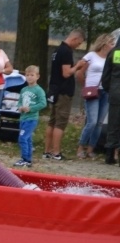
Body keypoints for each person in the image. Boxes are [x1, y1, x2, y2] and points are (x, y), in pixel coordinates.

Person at [43, 28, 86, 160]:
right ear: (75, 39)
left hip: (54, 89)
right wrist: (78, 66)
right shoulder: (66, 51)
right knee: (60, 123)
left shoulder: (57, 50)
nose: (78, 46)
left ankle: (47, 151)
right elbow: (66, 73)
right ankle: (56, 152)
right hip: (63, 92)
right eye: (79, 43)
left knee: (52, 121)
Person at [75, 33, 115, 160]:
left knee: (99, 122)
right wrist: (85, 85)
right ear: (104, 44)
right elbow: (79, 72)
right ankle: (81, 146)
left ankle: (91, 148)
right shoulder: (91, 56)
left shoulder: (111, 58)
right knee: (91, 122)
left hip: (105, 91)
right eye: (111, 43)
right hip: (93, 90)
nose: (113, 46)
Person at [13, 66, 47, 168]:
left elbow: (43, 103)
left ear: (37, 76)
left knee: (22, 138)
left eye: (32, 75)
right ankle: (28, 160)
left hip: (31, 118)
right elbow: (20, 102)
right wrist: (20, 107)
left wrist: (31, 108)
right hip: (23, 118)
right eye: (27, 75)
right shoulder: (24, 89)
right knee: (28, 139)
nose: (29, 77)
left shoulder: (39, 90)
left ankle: (25, 159)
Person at [100, 31, 120, 165]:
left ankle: (109, 156)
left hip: (115, 93)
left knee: (113, 124)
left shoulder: (113, 53)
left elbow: (105, 76)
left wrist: (110, 89)